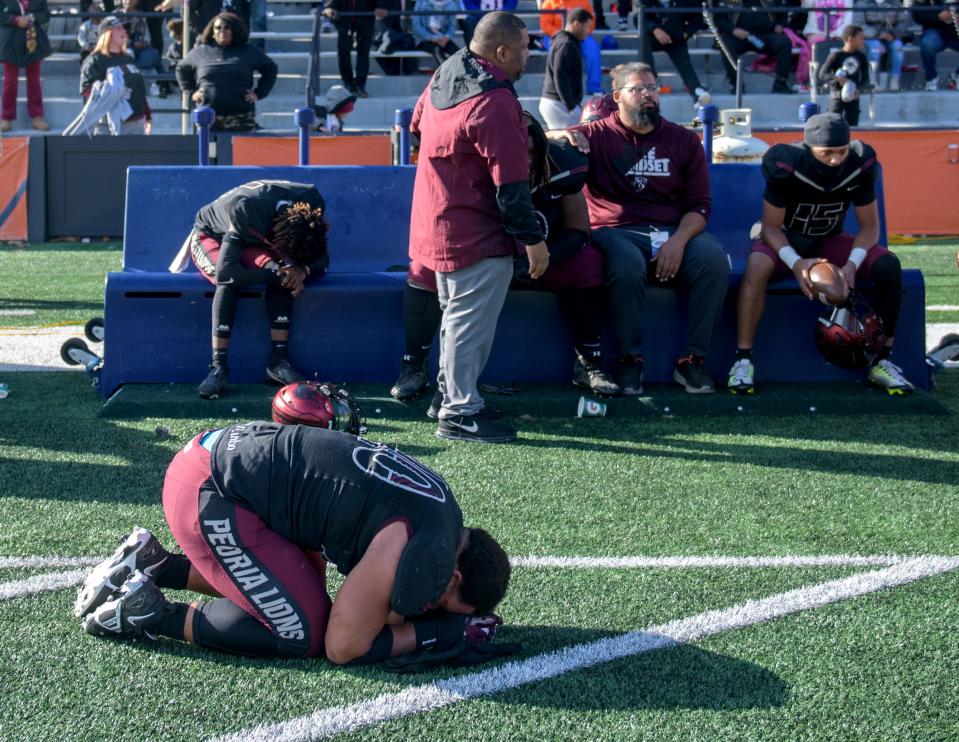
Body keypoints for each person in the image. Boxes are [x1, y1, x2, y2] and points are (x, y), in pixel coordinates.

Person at [75, 422, 512, 665]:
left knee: (301, 594)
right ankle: (152, 613)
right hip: (215, 491)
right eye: (443, 601)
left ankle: (153, 563)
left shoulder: (442, 515)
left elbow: (375, 610)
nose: (430, 603)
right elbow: (343, 647)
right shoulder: (412, 542)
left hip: (223, 463)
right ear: (453, 574)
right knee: (302, 633)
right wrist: (439, 631)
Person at [391, 113, 619, 403]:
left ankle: (589, 360)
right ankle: (414, 366)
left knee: (589, 263)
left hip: (538, 263)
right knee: (424, 269)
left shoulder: (560, 168)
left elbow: (579, 229)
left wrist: (546, 255)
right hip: (478, 263)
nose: (524, 160)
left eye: (533, 152)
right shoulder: (468, 174)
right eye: (515, 152)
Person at [409, 11, 548, 443]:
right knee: (468, 324)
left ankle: (448, 396)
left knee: (455, 320)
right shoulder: (495, 102)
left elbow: (415, 127)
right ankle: (459, 413)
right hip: (476, 229)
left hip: (436, 218)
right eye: (525, 47)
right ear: (502, 51)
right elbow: (511, 186)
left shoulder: (445, 71)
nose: (529, 55)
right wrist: (534, 241)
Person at [554, 62, 728, 395]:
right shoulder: (595, 135)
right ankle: (629, 360)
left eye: (652, 88)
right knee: (626, 263)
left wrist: (678, 242)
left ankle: (692, 361)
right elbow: (534, 138)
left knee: (713, 260)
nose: (648, 95)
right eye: (638, 89)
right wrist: (560, 134)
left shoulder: (684, 140)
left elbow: (700, 207)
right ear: (617, 96)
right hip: (614, 229)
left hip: (670, 230)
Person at [727, 113, 913, 396]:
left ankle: (883, 360)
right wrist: (796, 263)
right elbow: (770, 228)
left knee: (888, 265)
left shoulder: (859, 163)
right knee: (756, 264)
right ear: (811, 148)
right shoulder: (787, 164)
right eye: (828, 153)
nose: (836, 159)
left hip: (829, 239)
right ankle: (743, 360)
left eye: (841, 151)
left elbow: (870, 227)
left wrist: (852, 264)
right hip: (786, 238)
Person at [168, 180, 329, 399]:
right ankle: (218, 366)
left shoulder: (311, 203)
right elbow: (226, 272)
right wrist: (275, 273)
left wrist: (302, 270)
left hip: (253, 236)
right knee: (229, 282)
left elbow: (322, 258)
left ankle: (277, 364)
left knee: (285, 275)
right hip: (212, 235)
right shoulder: (247, 209)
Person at [176, 13, 277, 132]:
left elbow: (271, 68)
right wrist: (192, 92)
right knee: (208, 150)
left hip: (241, 117)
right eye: (218, 28)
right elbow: (181, 68)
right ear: (212, 32)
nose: (222, 31)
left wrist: (259, 93)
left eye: (227, 27)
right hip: (208, 118)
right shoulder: (200, 52)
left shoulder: (249, 51)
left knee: (241, 151)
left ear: (234, 30)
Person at [79, 16, 152, 134]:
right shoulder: (95, 60)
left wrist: (147, 116)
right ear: (107, 34)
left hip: (137, 123)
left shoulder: (128, 58)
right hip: (109, 126)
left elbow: (139, 91)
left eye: (124, 29)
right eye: (119, 29)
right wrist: (112, 90)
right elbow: (88, 91)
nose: (124, 31)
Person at [639, 0, 710, 108]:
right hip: (652, 36)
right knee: (644, 35)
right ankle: (649, 82)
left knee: (684, 61)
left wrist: (684, 34)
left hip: (676, 38)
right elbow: (638, 17)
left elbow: (697, 20)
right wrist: (655, 29)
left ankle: (697, 92)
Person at [713, 0, 793, 93]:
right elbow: (718, 19)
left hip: (764, 35)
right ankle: (737, 85)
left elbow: (783, 12)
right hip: (738, 36)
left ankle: (780, 84)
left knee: (784, 42)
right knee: (726, 44)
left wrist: (780, 25)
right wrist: (733, 30)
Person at [0, 0, 51, 132]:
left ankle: (37, 117)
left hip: (33, 40)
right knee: (10, 81)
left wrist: (31, 18)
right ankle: (6, 118)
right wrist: (16, 20)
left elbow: (45, 14)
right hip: (10, 41)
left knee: (34, 80)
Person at [323, 0, 389, 98]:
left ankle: (360, 86)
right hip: (344, 18)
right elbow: (330, 5)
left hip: (365, 18)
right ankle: (348, 84)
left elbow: (382, 7)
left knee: (364, 52)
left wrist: (382, 6)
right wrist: (330, 7)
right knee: (343, 51)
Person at [539, 8, 591, 130]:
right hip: (559, 103)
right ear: (577, 24)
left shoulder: (564, 41)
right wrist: (570, 105)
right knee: (575, 140)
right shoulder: (566, 44)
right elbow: (560, 75)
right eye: (586, 27)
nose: (588, 31)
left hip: (557, 102)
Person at [818, 24, 869, 126]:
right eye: (860, 38)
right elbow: (822, 73)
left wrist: (858, 88)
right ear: (850, 38)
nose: (862, 41)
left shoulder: (861, 56)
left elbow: (865, 77)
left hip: (853, 96)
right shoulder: (836, 56)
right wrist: (837, 79)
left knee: (852, 125)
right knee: (834, 125)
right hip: (837, 95)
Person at [855, 0, 907, 91]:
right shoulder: (862, 3)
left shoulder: (895, 3)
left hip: (890, 36)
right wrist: (877, 34)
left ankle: (895, 78)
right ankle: (873, 78)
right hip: (870, 37)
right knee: (875, 46)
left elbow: (903, 23)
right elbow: (859, 25)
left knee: (897, 46)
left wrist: (893, 34)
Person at [912, 0, 959, 91]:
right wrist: (938, 17)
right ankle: (931, 78)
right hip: (934, 30)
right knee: (928, 43)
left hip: (954, 31)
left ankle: (956, 75)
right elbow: (917, 15)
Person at [120, 0, 163, 81]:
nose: (128, 1)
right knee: (129, 53)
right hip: (121, 45)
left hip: (136, 44)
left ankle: (160, 81)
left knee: (152, 54)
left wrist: (140, 42)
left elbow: (141, 32)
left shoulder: (139, 15)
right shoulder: (116, 14)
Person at [411, 0, 459, 67]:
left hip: (442, 38)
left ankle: (463, 75)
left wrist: (446, 37)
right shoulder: (421, 2)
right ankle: (447, 75)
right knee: (437, 50)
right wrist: (431, 37)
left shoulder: (451, 4)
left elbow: (452, 27)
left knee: (458, 53)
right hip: (423, 39)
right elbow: (416, 25)